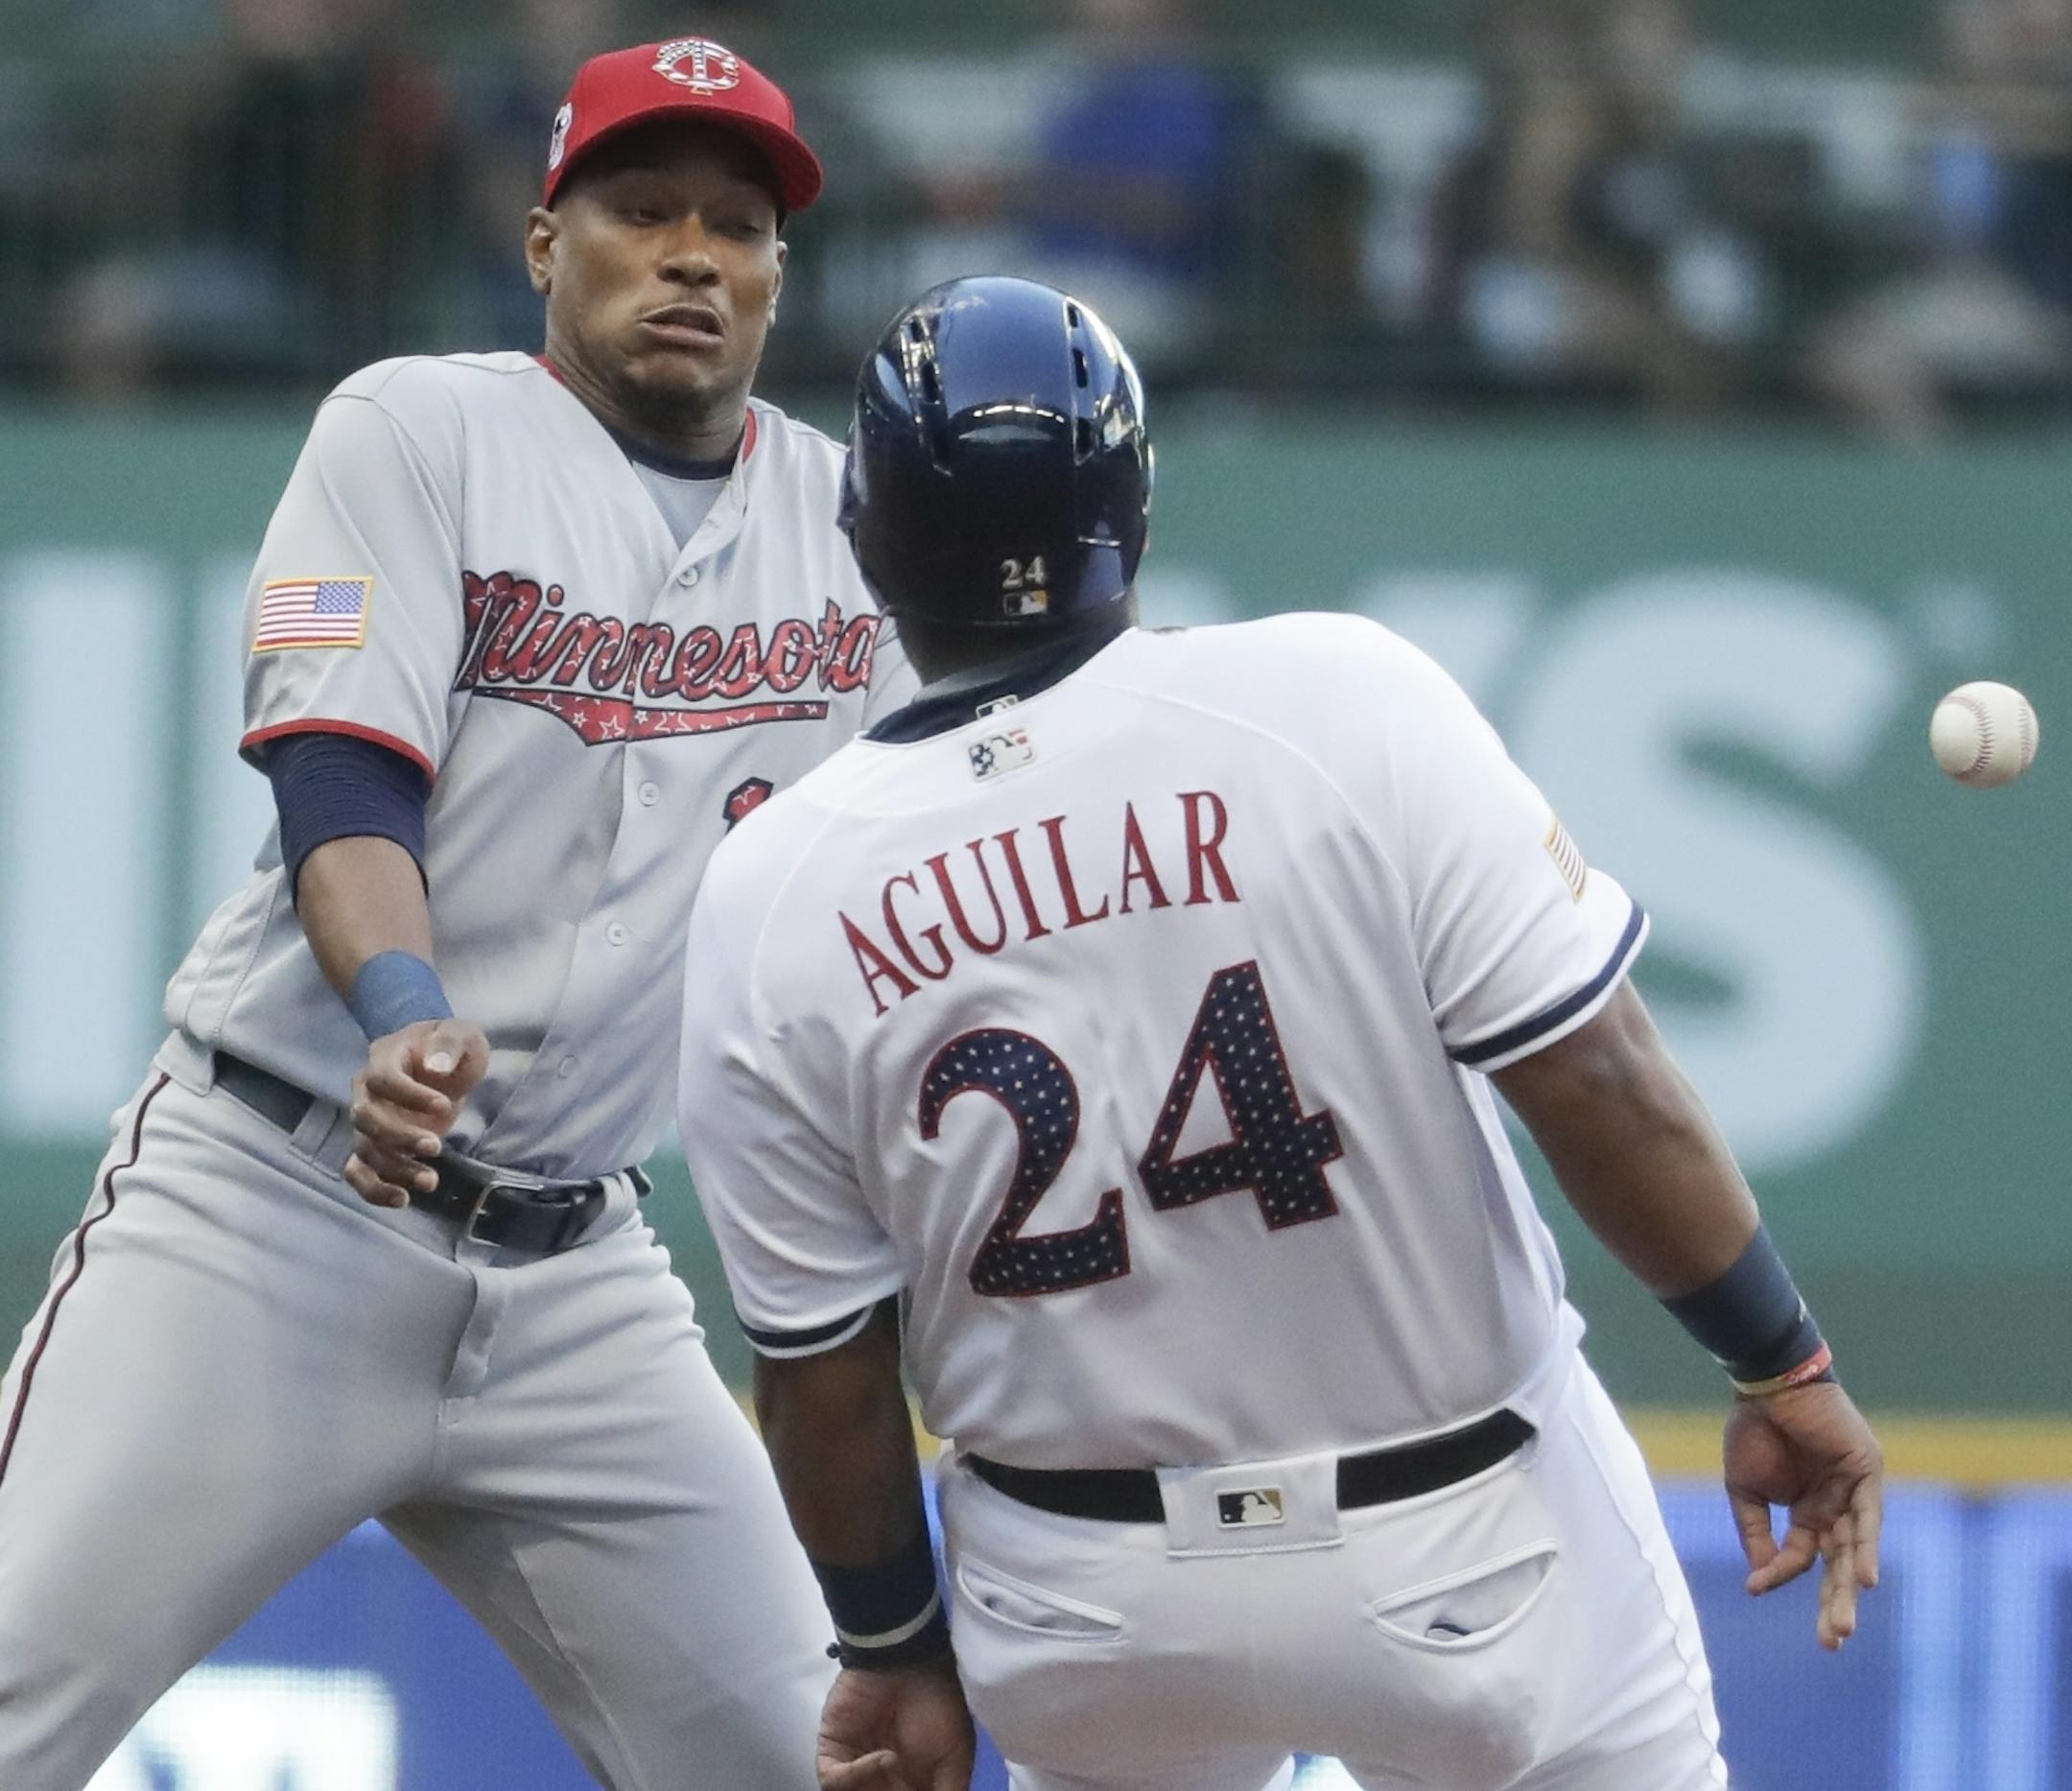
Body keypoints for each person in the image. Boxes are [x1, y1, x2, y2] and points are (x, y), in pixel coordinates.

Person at [677, 274, 1886, 1791]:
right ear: (1135, 506)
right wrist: (1783, 1365)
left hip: (1082, 1607)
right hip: (1462, 1549)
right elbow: (1601, 1081)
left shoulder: (770, 890)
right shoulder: (1336, 699)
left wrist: (891, 1648)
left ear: (864, 535)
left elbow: (822, 1372)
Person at [0, 35, 913, 1791]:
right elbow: (343, 769)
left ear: (779, 276)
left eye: (736, 226)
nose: (692, 255)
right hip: (270, 1213)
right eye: (641, 211)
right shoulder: (418, 429)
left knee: (819, 1766)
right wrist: (403, 1001)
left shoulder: (850, 523)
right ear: (543, 244)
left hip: (580, 1280)